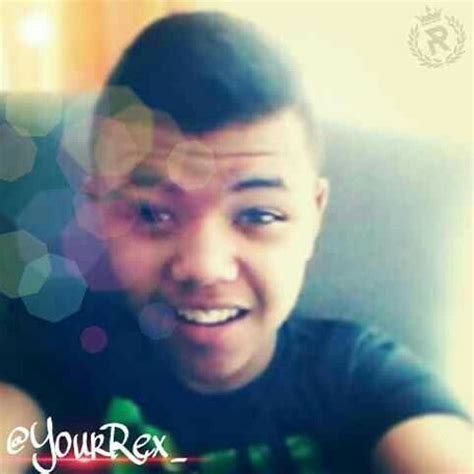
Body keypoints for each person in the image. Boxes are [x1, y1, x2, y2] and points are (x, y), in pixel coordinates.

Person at [0, 10, 472, 474]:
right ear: (100, 215)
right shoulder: (51, 353)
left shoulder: (361, 380)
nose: (205, 267)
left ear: (312, 217)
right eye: (152, 214)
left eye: (258, 215)